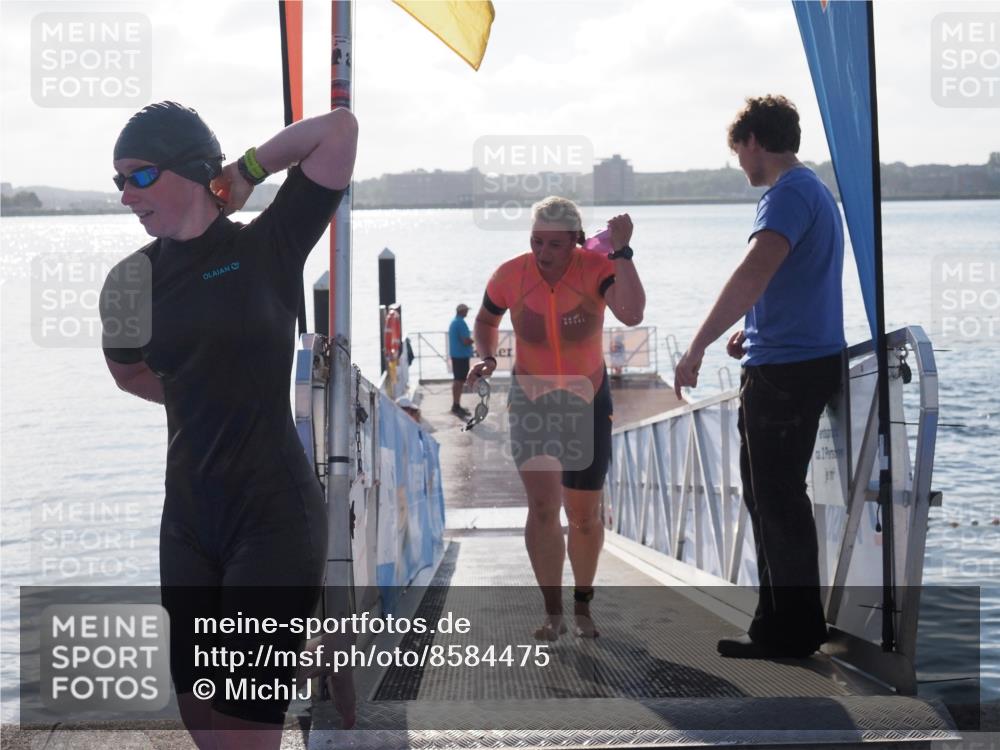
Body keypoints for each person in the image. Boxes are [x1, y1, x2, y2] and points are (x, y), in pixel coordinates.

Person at [99, 101, 358, 749]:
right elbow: (128, 373)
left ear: (191, 169)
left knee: (244, 736)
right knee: (206, 728)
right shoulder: (130, 281)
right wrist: (201, 396)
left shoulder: (267, 245)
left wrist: (246, 171)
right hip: (188, 526)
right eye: (119, 180)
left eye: (140, 175)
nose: (127, 194)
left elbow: (337, 132)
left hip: (273, 521)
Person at [673, 94, 846, 659]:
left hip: (786, 372)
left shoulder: (786, 195)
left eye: (739, 151)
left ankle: (789, 631)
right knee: (774, 496)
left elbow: (754, 271)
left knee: (775, 498)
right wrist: (754, 327)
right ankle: (785, 624)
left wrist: (696, 345)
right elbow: (790, 280)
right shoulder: (813, 190)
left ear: (753, 141)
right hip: (801, 358)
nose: (740, 164)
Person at [466, 197, 646, 639]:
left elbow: (632, 314)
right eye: (536, 241)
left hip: (587, 400)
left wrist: (622, 251)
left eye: (555, 244)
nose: (543, 253)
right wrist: (487, 358)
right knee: (544, 507)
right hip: (533, 400)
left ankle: (582, 603)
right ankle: (553, 612)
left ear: (576, 242)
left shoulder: (597, 268)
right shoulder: (511, 275)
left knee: (583, 515)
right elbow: (485, 321)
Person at [448, 303, 474, 416]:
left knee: (458, 380)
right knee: (458, 381)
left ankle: (456, 405)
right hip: (460, 356)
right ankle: (456, 405)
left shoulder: (455, 322)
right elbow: (465, 341)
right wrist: (475, 339)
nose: (467, 312)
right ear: (462, 311)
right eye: (466, 310)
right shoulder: (460, 323)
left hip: (457, 355)